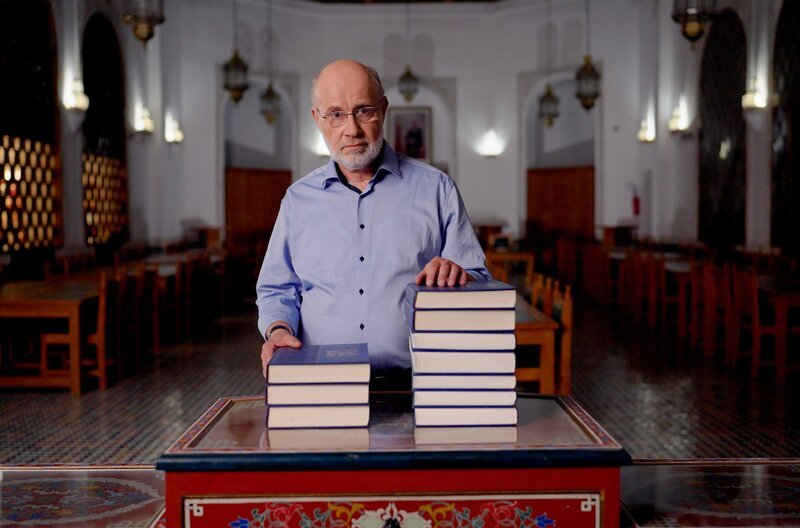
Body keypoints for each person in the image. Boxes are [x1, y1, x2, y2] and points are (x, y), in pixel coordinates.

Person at [256, 59, 490, 388]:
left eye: (363, 110)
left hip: (421, 386)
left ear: (383, 109)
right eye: (336, 114)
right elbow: (277, 290)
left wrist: (460, 275)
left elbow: (480, 281)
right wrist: (278, 330)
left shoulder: (438, 190)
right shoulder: (297, 201)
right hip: (321, 386)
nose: (351, 128)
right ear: (317, 120)